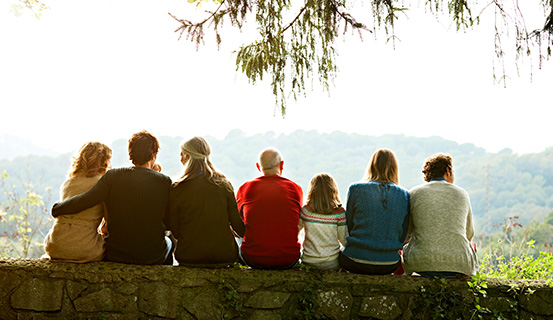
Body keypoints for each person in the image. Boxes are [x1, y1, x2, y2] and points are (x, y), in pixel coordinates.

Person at [51, 131, 173, 265]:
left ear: (130, 154)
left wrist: (58, 209)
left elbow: (86, 200)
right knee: (168, 242)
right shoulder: (164, 181)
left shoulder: (112, 176)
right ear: (154, 155)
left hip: (116, 254)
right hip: (151, 256)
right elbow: (169, 221)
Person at [168, 136, 245, 267]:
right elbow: (236, 223)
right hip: (223, 255)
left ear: (187, 156)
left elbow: (173, 225)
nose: (180, 158)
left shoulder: (178, 187)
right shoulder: (223, 184)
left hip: (189, 255)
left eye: (181, 154)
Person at [402, 153, 478, 278]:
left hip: (421, 263)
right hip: (459, 264)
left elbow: (407, 233)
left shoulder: (414, 193)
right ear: (447, 170)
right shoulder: (462, 194)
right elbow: (469, 233)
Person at [340, 148, 410, 274]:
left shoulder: (355, 189)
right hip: (389, 263)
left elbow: (349, 225)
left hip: (355, 259)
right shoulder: (404, 195)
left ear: (371, 166)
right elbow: (403, 234)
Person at [43, 142, 112, 263]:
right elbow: (108, 222)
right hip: (83, 249)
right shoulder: (102, 184)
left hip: (54, 245)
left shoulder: (67, 183)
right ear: (104, 161)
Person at [236, 148, 303, 269]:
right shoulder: (295, 189)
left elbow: (236, 226)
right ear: (282, 165)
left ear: (258, 166)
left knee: (238, 236)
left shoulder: (245, 188)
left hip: (253, 259)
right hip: (288, 259)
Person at [299, 173, 347, 270]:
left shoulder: (306, 211)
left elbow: (295, 232)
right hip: (332, 262)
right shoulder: (339, 213)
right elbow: (344, 240)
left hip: (308, 261)